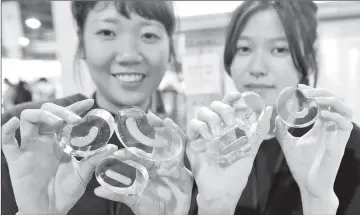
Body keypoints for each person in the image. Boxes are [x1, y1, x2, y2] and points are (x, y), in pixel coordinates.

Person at [1, 1, 193, 215]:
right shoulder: (25, 136)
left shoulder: (181, 163)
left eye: (148, 35)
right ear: (82, 44)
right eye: (107, 32)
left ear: (170, 47)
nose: (129, 55)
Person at [186, 0, 360, 215]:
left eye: (279, 49)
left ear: (308, 56)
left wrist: (317, 199)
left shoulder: (342, 145)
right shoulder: (212, 148)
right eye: (244, 48)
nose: (257, 68)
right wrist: (215, 206)